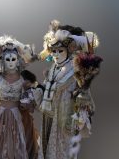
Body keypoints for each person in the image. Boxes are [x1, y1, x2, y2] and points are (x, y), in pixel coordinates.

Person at [38, 20, 102, 159]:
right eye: (53, 51)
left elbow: (84, 95)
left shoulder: (76, 71)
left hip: (66, 118)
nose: (55, 55)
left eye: (60, 51)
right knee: (46, 148)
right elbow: (46, 91)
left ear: (70, 50)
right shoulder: (53, 69)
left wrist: (81, 115)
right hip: (49, 117)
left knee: (64, 151)